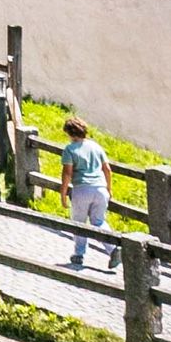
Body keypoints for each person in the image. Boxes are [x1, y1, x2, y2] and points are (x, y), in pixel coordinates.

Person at [60, 116, 119, 271]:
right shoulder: (96, 147)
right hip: (100, 188)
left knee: (79, 223)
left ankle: (79, 254)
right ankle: (113, 249)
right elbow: (107, 169)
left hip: (82, 189)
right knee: (98, 221)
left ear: (70, 133)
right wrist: (109, 188)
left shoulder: (70, 149)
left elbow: (67, 173)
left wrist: (63, 192)